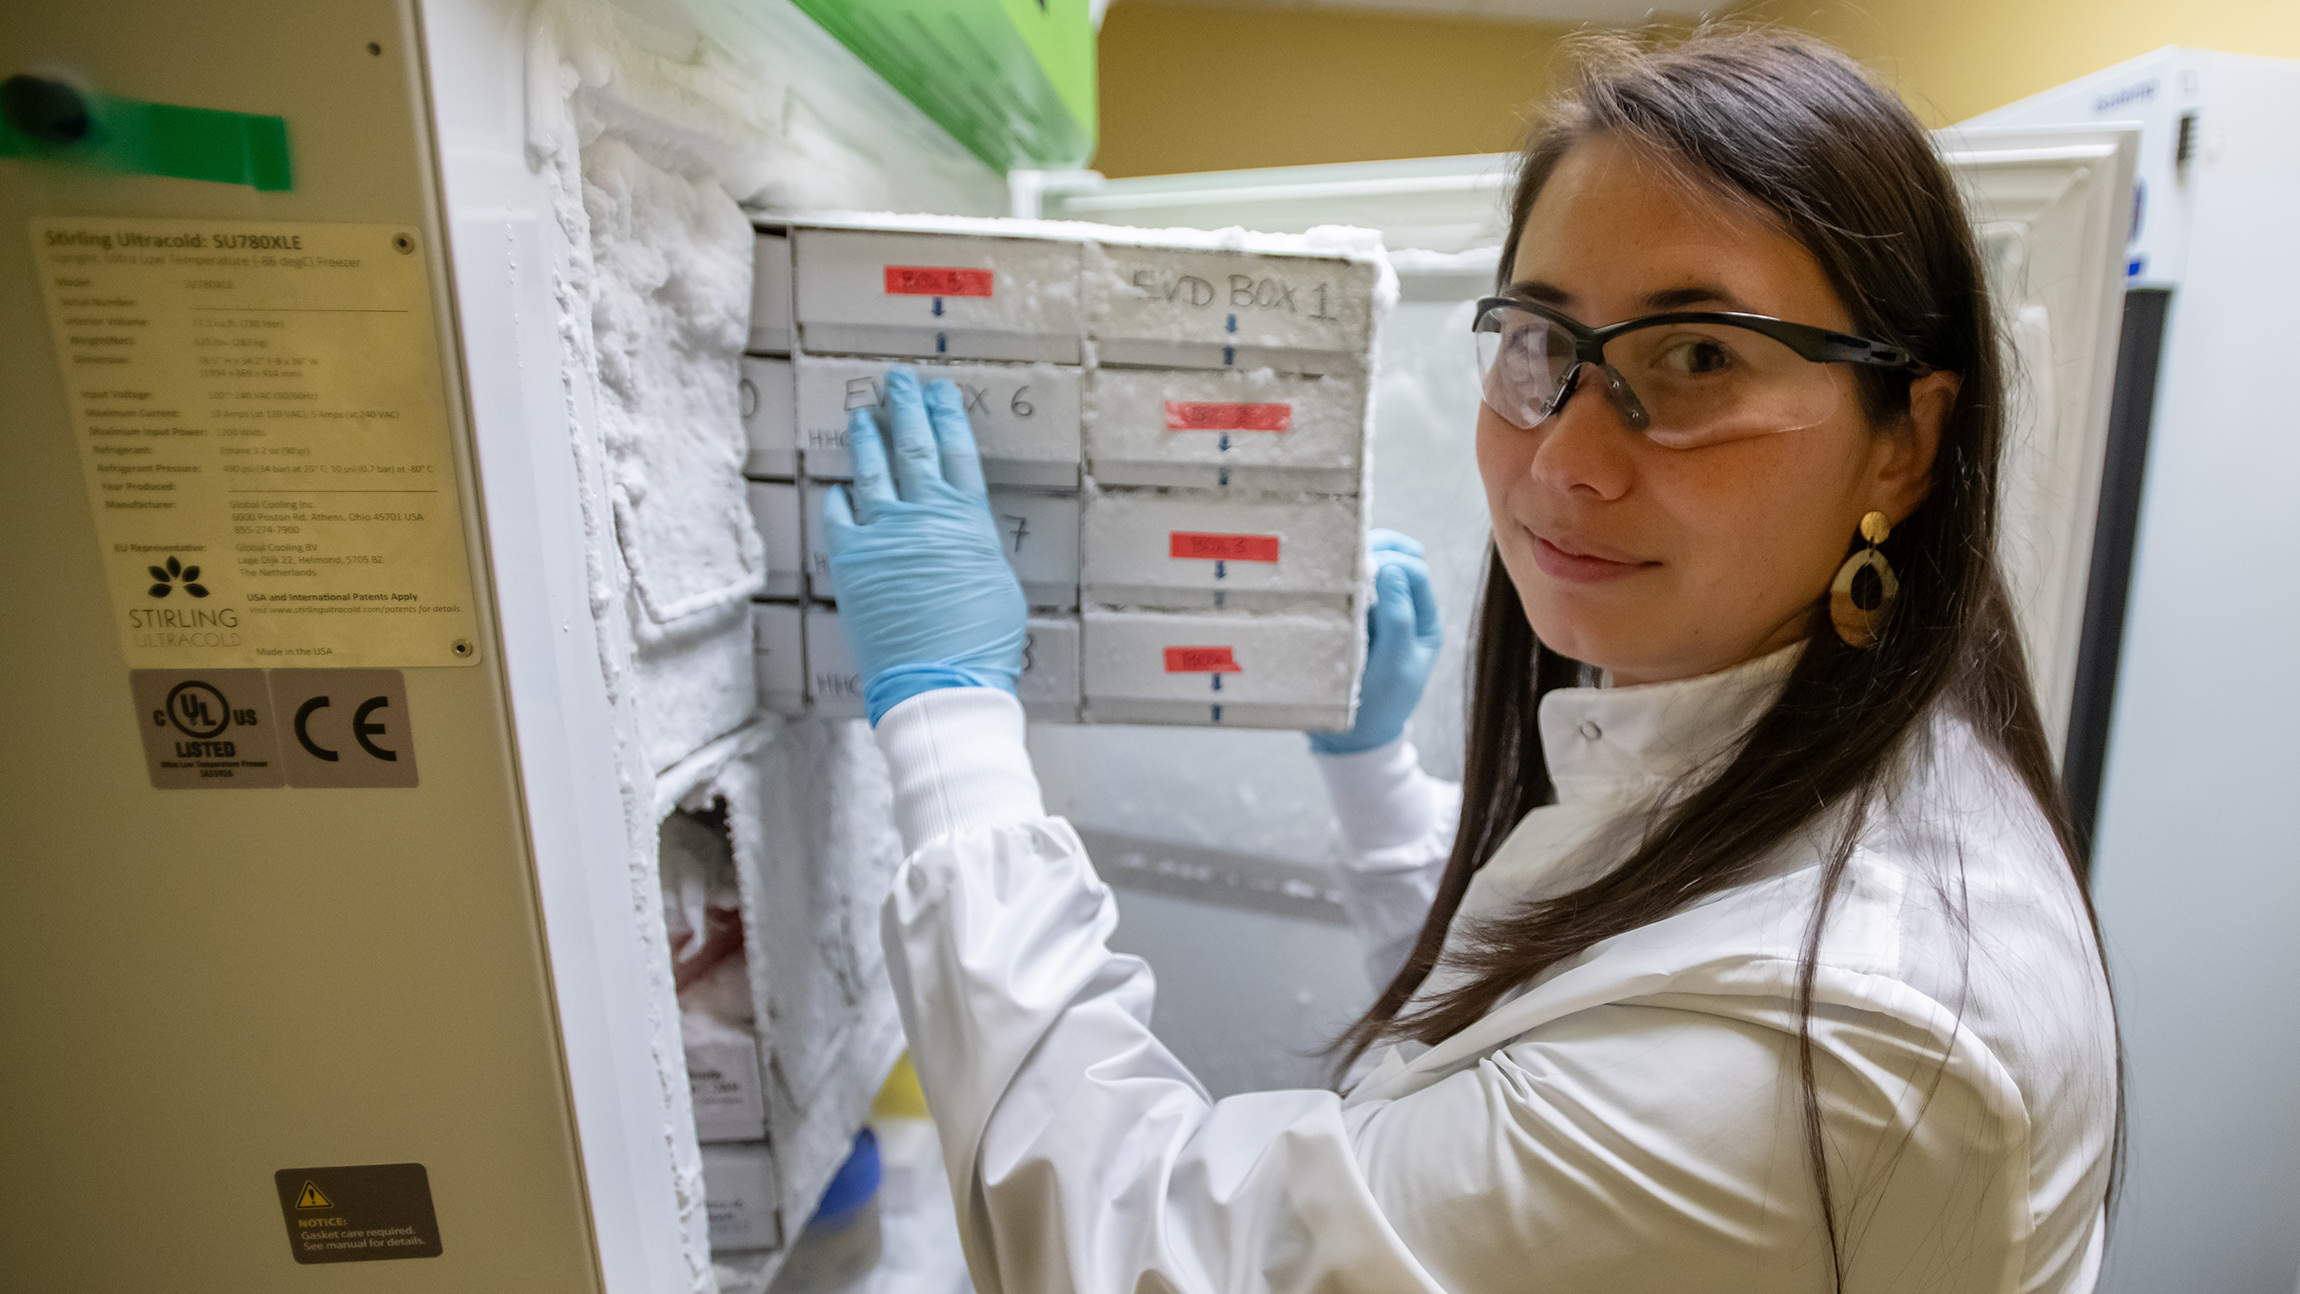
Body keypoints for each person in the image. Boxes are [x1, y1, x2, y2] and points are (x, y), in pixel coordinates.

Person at [821, 28, 2117, 1294]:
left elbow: (1144, 1248)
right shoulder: (1813, 752)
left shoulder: (1831, 1054)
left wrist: (947, 717)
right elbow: (1568, 996)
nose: (1566, 462)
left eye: (1700, 356)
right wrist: (1375, 777)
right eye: (1546, 342)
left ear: (1907, 438)